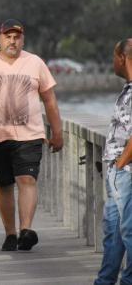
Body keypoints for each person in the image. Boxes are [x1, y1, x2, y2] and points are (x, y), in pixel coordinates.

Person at [0, 18, 63, 252]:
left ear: (23, 39)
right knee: (4, 185)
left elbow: (49, 100)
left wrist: (57, 131)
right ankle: (10, 233)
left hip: (30, 135)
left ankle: (26, 231)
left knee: (27, 180)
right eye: (8, 36)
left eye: (17, 36)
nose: (12, 41)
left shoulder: (35, 62)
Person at [94, 39, 132, 285]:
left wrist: (119, 165)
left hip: (125, 172)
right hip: (119, 172)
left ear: (122, 57)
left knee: (129, 233)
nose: (112, 62)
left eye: (113, 56)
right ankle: (105, 281)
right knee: (114, 234)